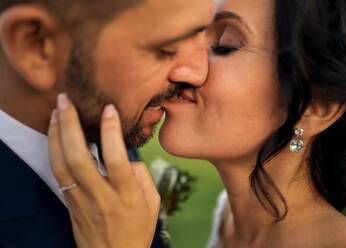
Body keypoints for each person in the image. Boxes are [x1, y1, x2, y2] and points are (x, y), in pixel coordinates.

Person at [48, 0, 346, 247]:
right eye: (191, 34)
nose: (184, 66)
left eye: (224, 46)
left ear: (318, 107)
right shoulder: (230, 220)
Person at [0, 0, 216, 247]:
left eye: (204, 35)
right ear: (35, 45)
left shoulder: (106, 125)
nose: (199, 72)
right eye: (168, 48)